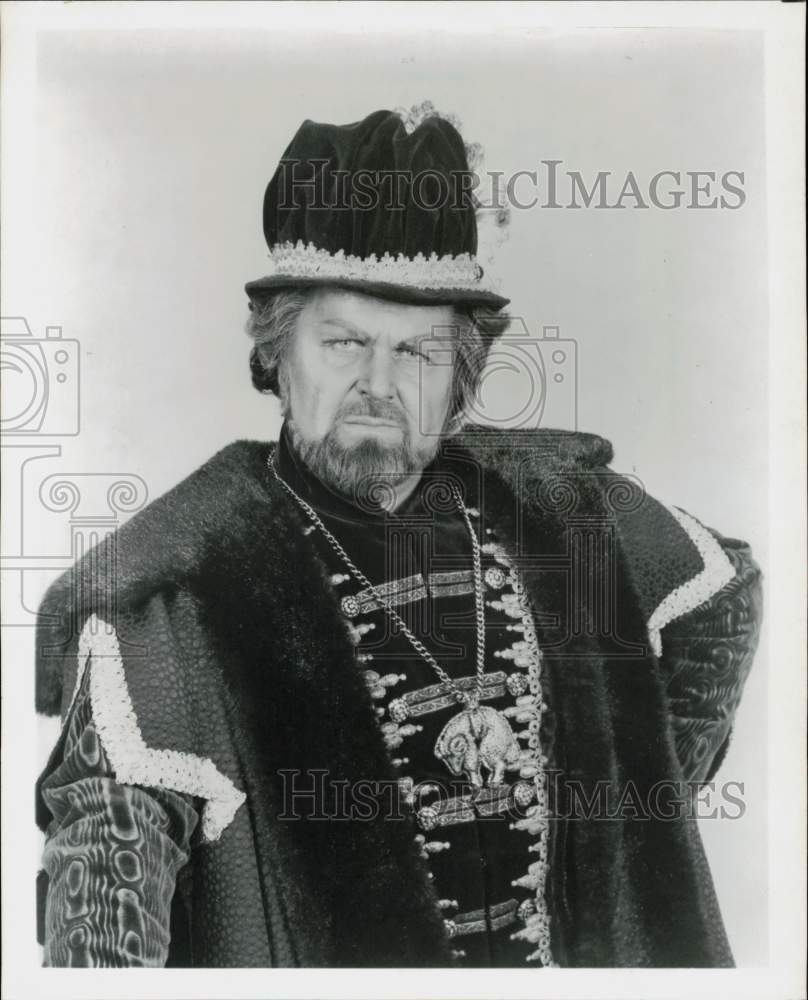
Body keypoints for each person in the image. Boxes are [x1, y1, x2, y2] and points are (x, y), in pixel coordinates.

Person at [35, 105, 762, 968]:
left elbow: (724, 592)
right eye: (343, 342)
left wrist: (630, 819)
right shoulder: (184, 599)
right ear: (277, 354)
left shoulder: (568, 518)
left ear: (460, 376)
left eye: (417, 353)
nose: (378, 384)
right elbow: (104, 894)